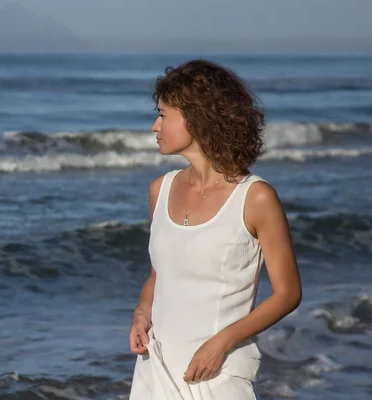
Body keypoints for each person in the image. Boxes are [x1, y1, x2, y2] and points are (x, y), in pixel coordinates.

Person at [128, 60, 302, 400]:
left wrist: (222, 343)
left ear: (197, 117)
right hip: (155, 369)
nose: (154, 125)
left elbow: (288, 294)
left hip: (216, 372)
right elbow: (160, 272)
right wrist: (141, 312)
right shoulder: (159, 190)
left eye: (163, 115)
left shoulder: (255, 198)